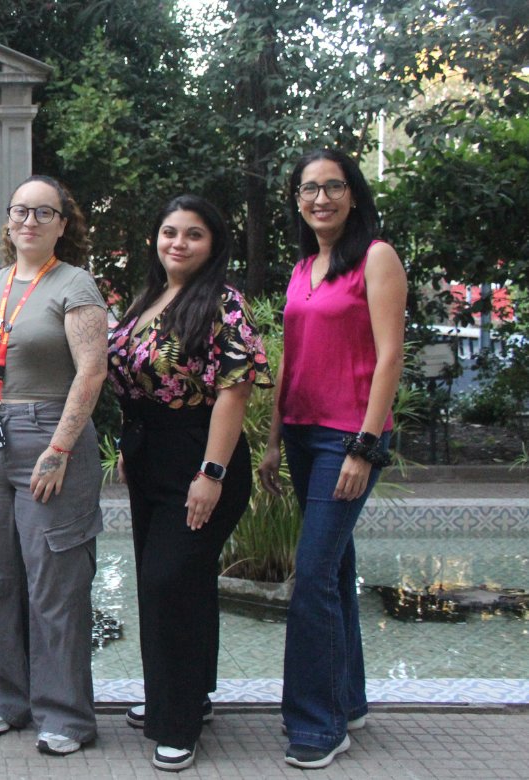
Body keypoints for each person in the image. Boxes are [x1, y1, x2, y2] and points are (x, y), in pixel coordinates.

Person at [107, 195, 272, 771]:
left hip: (203, 456)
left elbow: (235, 389)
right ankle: (183, 696)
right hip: (149, 455)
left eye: (193, 234)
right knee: (184, 581)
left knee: (166, 580)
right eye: (170, 231)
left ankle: (175, 725)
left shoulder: (222, 302)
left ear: (213, 244)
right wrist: (132, 446)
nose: (178, 242)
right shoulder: (148, 299)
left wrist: (212, 472)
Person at [258, 149, 407, 770]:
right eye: (309, 189)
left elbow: (390, 355)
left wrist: (364, 446)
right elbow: (291, 359)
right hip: (300, 430)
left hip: (347, 435)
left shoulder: (376, 256)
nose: (321, 198)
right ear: (297, 200)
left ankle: (318, 725)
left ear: (352, 193)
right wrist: (270, 440)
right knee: (336, 572)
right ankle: (347, 700)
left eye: (333, 187)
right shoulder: (303, 268)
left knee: (312, 579)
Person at [0, 175, 108, 756]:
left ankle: (66, 714)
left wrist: (60, 449)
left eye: (44, 213)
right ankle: (4, 699)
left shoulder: (75, 284)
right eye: (21, 211)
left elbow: (91, 370)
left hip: (48, 433)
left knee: (55, 583)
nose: (30, 222)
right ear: (8, 220)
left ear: (62, 225)